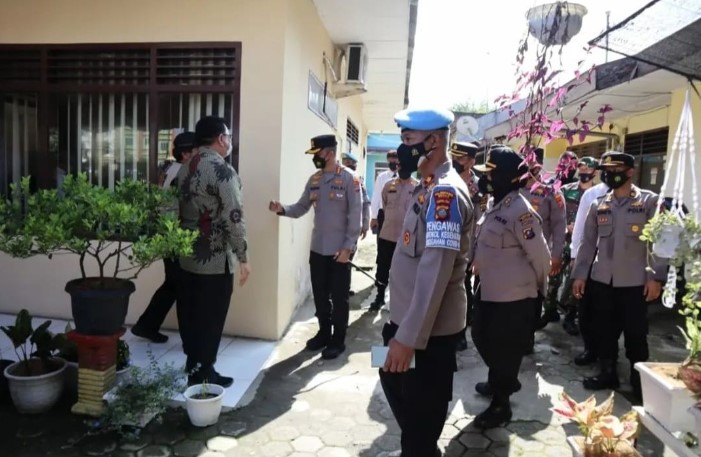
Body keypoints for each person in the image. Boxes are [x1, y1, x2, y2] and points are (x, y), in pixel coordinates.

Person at [379, 107, 474, 457]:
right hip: (405, 322)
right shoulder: (427, 186)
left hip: (427, 336)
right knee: (390, 378)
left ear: (433, 141)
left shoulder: (444, 196)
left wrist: (408, 339)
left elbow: (435, 272)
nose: (402, 148)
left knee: (419, 425)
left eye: (407, 140)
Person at [572, 152, 666, 399]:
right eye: (606, 169)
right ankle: (608, 373)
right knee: (604, 331)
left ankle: (639, 383)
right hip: (603, 280)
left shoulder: (649, 202)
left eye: (616, 169)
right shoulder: (599, 203)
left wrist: (655, 277)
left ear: (630, 172)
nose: (610, 174)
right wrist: (580, 275)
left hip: (636, 283)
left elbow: (659, 242)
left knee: (636, 335)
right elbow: (588, 242)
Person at [470, 146, 551, 429]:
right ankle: (500, 381)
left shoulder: (521, 211)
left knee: (505, 350)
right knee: (480, 336)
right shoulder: (495, 204)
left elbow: (540, 256)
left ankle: (501, 404)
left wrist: (542, 293)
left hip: (514, 297)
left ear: (505, 177)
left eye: (491, 175)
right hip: (488, 290)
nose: (485, 181)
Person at [269, 135, 362, 360]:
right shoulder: (315, 180)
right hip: (318, 248)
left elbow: (355, 216)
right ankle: (323, 332)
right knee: (320, 295)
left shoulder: (350, 179)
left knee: (339, 298)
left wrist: (348, 247)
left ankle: (338, 340)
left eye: (317, 154)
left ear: (329, 153)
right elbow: (301, 207)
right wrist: (282, 209)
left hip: (340, 251)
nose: (315, 159)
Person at [176, 116, 251, 387]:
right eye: (228, 136)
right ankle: (203, 373)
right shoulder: (223, 171)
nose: (230, 142)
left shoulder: (184, 169)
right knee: (211, 319)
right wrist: (243, 257)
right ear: (221, 138)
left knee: (191, 316)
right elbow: (234, 217)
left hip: (186, 258)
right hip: (215, 260)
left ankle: (193, 363)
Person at [132, 132, 197, 343]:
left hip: (166, 234)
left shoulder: (168, 169)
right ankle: (189, 336)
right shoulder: (184, 173)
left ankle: (147, 325)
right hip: (176, 236)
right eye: (196, 151)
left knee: (173, 283)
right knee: (182, 285)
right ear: (186, 153)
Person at [521, 153, 566, 348]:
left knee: (534, 297)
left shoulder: (550, 192)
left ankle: (528, 338)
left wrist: (556, 255)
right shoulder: (514, 188)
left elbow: (559, 225)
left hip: (539, 255)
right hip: (514, 256)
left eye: (531, 163)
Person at [552, 156, 598, 336]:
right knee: (553, 277)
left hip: (583, 244)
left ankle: (570, 316)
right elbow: (555, 214)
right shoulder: (565, 190)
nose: (584, 170)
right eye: (582, 167)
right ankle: (549, 310)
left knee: (575, 279)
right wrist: (565, 227)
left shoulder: (599, 194)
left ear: (596, 171)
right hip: (562, 240)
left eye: (589, 167)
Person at [368, 151, 418, 311]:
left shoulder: (417, 187)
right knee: (382, 266)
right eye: (400, 165)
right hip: (387, 234)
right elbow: (382, 203)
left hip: (406, 237)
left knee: (404, 269)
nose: (402, 168)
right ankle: (380, 296)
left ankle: (401, 300)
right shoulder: (388, 185)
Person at [570, 177, 610, 366]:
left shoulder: (640, 199)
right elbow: (579, 228)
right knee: (586, 310)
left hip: (615, 263)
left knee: (608, 313)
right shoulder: (592, 195)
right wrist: (574, 257)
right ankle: (590, 349)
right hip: (589, 258)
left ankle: (607, 357)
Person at [450, 141, 481, 351]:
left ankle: (460, 333)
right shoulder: (444, 180)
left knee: (463, 291)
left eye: (461, 158)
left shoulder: (480, 186)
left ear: (471, 161)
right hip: (445, 243)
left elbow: (481, 222)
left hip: (467, 247)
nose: (455, 161)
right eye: (454, 156)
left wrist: (476, 254)